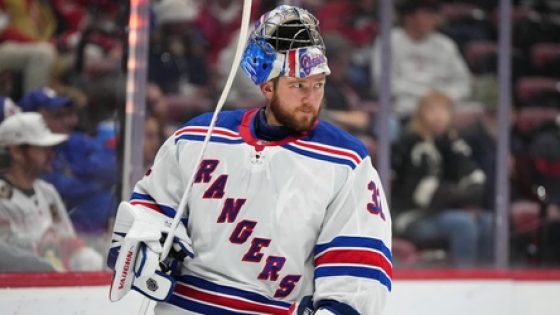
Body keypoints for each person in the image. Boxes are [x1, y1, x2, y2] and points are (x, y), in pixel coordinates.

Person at [108, 5, 392, 314]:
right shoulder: (197, 137)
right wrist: (146, 241)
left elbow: (357, 267)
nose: (311, 98)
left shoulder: (346, 161)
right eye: (298, 86)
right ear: (268, 87)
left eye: (318, 84)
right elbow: (147, 209)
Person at [391, 91, 492, 267]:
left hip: (441, 211)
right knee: (463, 224)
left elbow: (475, 180)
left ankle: (485, 278)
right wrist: (460, 196)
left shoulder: (448, 142)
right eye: (432, 110)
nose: (439, 116)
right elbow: (423, 195)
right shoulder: (411, 142)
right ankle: (466, 281)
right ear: (420, 113)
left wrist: (456, 196)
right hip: (410, 216)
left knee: (488, 221)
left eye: (444, 111)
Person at [0, 112, 102, 271]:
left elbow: (70, 243)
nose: (51, 154)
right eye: (42, 148)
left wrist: (95, 261)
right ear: (16, 152)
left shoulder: (47, 192)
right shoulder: (2, 196)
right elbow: (10, 256)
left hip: (57, 286)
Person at [18, 87, 117, 238]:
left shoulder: (73, 140)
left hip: (101, 231)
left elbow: (111, 168)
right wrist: (95, 181)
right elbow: (61, 188)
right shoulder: (31, 157)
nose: (71, 121)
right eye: (58, 116)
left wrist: (78, 172)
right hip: (69, 234)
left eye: (70, 114)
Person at [371, 0, 472, 120]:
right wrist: (425, 96)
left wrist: (444, 97)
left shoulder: (445, 44)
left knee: (476, 113)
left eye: (434, 13)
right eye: (427, 13)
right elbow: (383, 83)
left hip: (443, 106)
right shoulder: (389, 41)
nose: (433, 18)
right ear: (409, 17)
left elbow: (463, 82)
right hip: (405, 107)